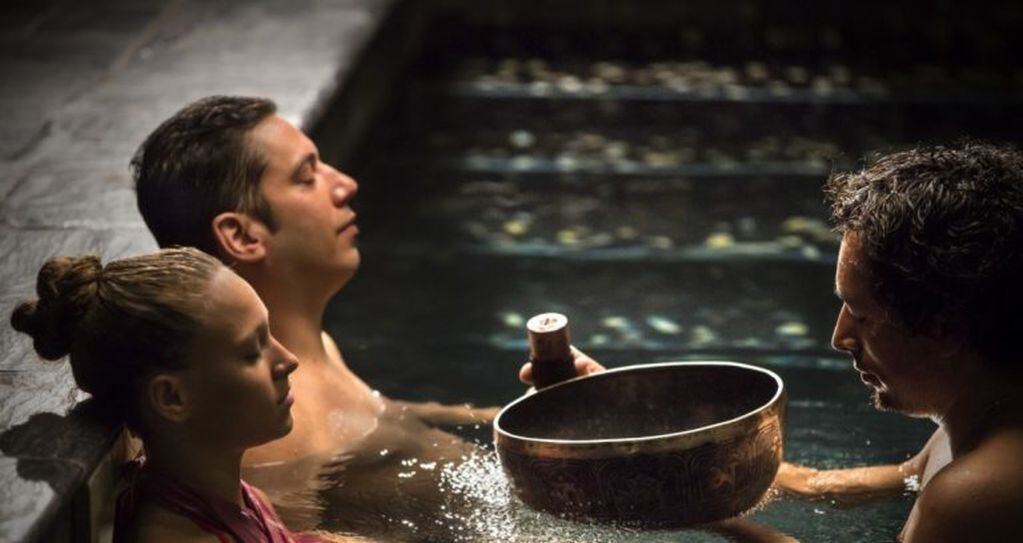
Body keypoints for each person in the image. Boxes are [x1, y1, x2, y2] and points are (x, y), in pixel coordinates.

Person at [131, 96, 599, 538]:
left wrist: (537, 414)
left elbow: (381, 413)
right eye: (307, 176)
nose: (345, 184)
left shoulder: (311, 354)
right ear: (243, 235)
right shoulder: (269, 419)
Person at [9, 247, 345, 542]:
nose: (288, 360)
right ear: (172, 398)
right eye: (252, 352)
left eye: (269, 336)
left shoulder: (240, 500)